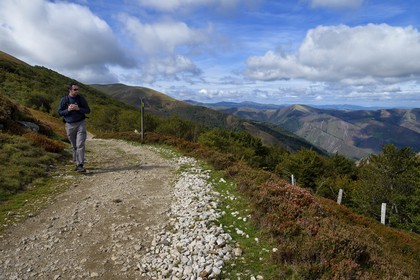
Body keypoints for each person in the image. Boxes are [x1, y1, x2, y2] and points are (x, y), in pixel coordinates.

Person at [58, 83, 91, 172]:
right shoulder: (64, 99)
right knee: (74, 146)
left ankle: (80, 165)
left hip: (81, 123)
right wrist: (68, 110)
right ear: (70, 90)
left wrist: (78, 109)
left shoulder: (81, 99)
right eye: (75, 89)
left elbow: (88, 110)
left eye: (78, 89)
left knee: (80, 144)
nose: (77, 91)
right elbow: (60, 112)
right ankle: (76, 162)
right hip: (69, 125)